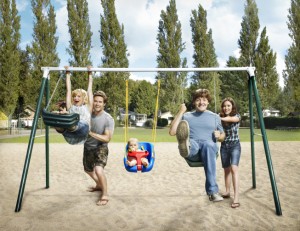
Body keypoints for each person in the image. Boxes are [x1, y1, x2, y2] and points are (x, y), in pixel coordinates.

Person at [169, 88, 225, 202]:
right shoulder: (187, 116)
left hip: (209, 152)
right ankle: (185, 147)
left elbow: (223, 137)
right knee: (193, 144)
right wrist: (181, 111)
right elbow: (172, 132)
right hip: (193, 152)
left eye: (204, 100)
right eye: (198, 100)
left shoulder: (215, 117)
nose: (201, 102)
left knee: (208, 145)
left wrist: (219, 135)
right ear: (194, 102)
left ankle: (213, 193)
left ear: (208, 102)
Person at [83, 90, 114, 206]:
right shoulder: (87, 114)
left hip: (101, 146)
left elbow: (107, 138)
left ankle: (105, 194)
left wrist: (91, 133)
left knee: (98, 170)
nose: (97, 104)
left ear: (104, 104)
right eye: (95, 101)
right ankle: (99, 185)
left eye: (100, 102)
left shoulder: (108, 118)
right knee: (87, 170)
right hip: (88, 146)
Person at [55, 66, 93, 145]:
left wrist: (90, 73)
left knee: (74, 122)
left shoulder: (87, 107)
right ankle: (57, 122)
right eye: (74, 96)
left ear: (83, 98)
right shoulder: (70, 107)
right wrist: (67, 73)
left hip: (82, 132)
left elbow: (89, 90)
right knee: (59, 125)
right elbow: (68, 90)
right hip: (70, 135)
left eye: (79, 96)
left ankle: (69, 123)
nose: (76, 98)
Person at [219, 97, 241, 208]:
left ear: (232, 106)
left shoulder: (237, 116)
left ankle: (236, 196)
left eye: (228, 105)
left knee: (234, 169)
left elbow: (232, 120)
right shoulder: (220, 117)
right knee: (226, 170)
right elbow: (218, 132)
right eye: (224, 106)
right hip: (224, 146)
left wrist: (219, 118)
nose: (226, 107)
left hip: (235, 146)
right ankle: (227, 191)